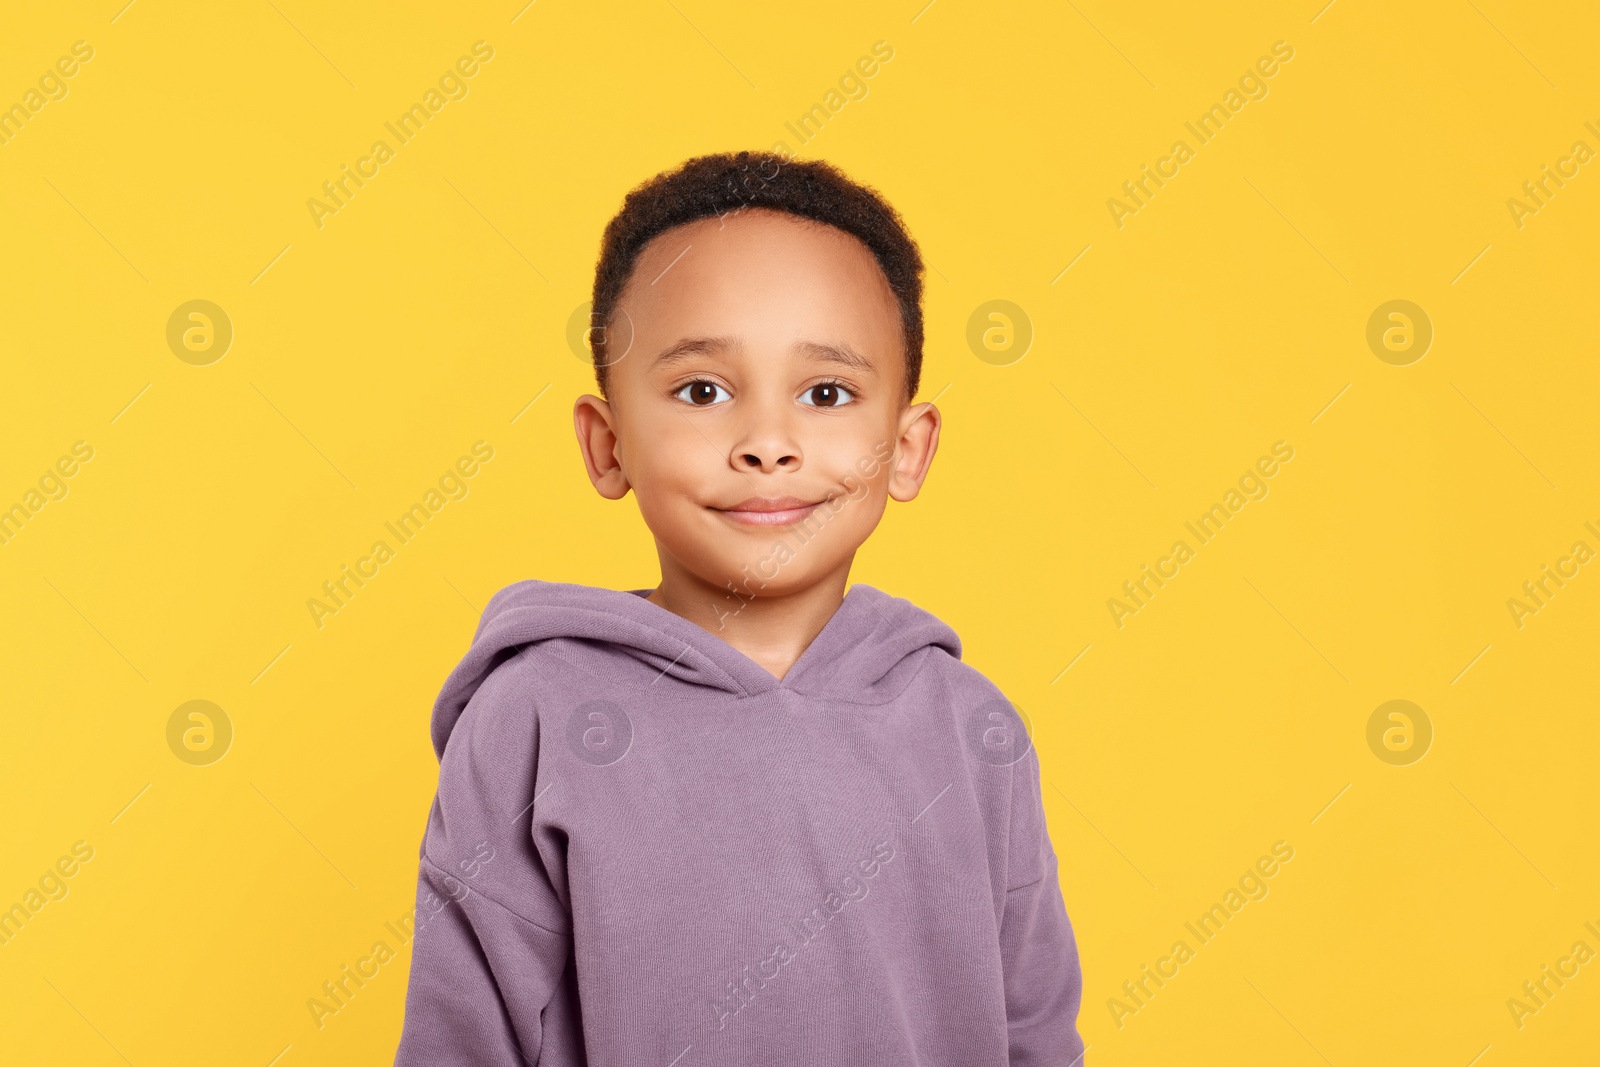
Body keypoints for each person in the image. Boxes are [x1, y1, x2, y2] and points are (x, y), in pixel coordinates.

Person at [392, 150, 1086, 1065]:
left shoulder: (973, 728)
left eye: (827, 393)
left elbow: (1035, 1033)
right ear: (608, 445)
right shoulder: (533, 719)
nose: (767, 442)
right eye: (702, 391)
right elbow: (461, 1044)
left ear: (908, 448)